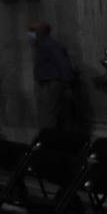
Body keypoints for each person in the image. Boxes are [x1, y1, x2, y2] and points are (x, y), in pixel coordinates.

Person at [28, 21, 76, 149]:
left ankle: (48, 142)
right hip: (46, 82)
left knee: (50, 114)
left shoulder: (50, 44)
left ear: (41, 32)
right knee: (48, 112)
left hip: (52, 82)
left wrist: (67, 84)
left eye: (33, 31)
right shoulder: (41, 45)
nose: (30, 34)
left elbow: (63, 63)